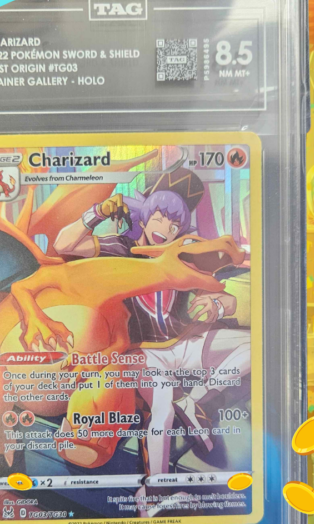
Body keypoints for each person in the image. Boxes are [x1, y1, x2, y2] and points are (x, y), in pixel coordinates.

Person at [54, 169, 251, 480]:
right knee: (163, 411)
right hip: (145, 355)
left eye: (174, 225)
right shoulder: (122, 249)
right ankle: (155, 491)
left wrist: (215, 305)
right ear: (144, 219)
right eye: (160, 218)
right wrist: (98, 212)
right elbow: (63, 244)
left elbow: (224, 295)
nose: (165, 229)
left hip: (185, 344)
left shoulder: (182, 256)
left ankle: (196, 398)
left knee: (256, 345)